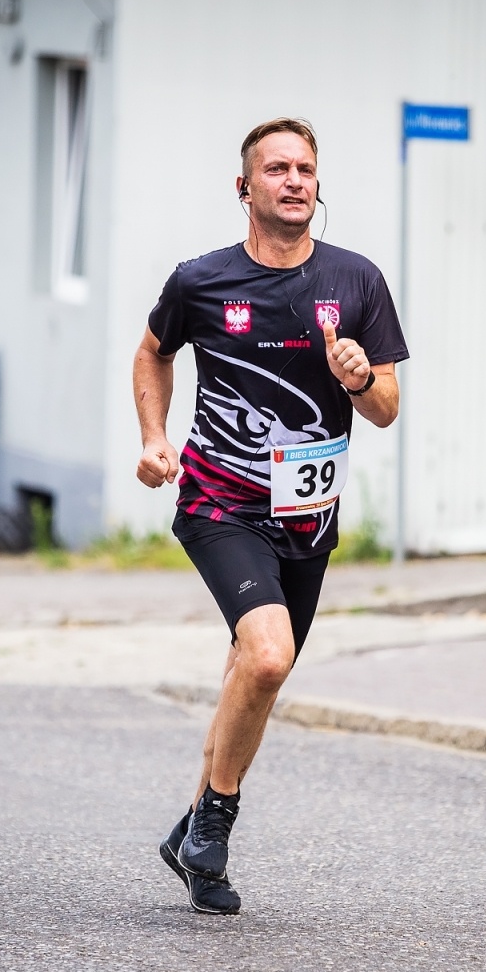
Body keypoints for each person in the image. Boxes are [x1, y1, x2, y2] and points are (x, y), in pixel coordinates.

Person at [133, 118, 409, 914]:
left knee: (245, 674)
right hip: (219, 501)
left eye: (306, 169)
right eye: (277, 168)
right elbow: (153, 350)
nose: (294, 180)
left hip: (308, 519)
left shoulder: (356, 282)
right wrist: (155, 441)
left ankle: (190, 842)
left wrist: (359, 377)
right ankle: (218, 819)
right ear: (244, 187)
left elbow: (387, 408)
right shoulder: (202, 281)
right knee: (265, 657)